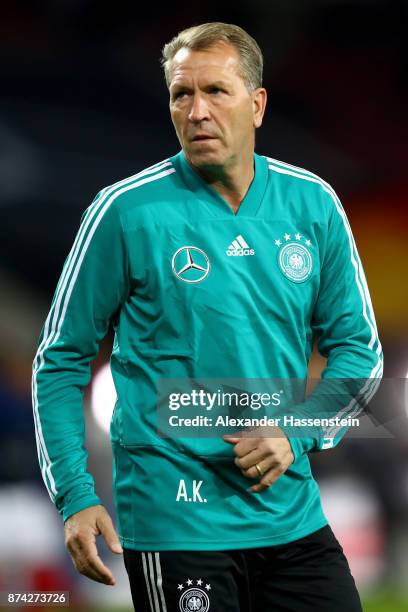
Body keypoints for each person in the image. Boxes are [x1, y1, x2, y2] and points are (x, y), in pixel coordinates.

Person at [32, 22, 383, 611]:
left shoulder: (312, 204)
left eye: (215, 92)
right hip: (174, 524)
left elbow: (359, 351)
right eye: (180, 94)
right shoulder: (125, 212)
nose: (196, 111)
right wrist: (74, 494)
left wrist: (296, 431)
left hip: (290, 517)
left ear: (258, 104)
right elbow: (60, 360)